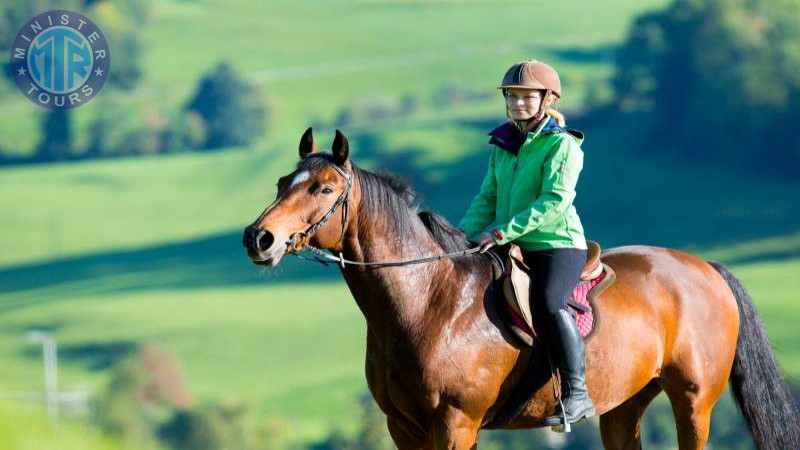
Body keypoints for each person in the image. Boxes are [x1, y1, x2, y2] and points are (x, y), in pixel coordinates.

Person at [457, 60, 595, 427]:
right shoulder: (503, 145)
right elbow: (487, 198)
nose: (518, 103)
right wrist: (459, 239)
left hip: (555, 243)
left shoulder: (563, 146)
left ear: (546, 100)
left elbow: (554, 202)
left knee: (549, 302)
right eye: (512, 96)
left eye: (526, 97)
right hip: (510, 241)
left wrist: (502, 232)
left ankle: (577, 393)